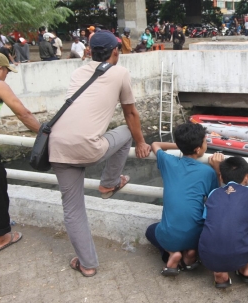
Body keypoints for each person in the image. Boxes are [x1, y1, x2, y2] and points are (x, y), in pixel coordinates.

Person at [48, 30, 151, 277]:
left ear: (91, 52)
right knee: (125, 131)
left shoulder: (78, 71)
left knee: (73, 210)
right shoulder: (120, 73)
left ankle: (88, 265)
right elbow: (131, 114)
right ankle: (108, 183)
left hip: (58, 146)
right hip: (89, 148)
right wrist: (142, 142)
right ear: (116, 51)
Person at [0, 52, 41, 254]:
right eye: (6, 72)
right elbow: (23, 113)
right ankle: (1, 237)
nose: (6, 76)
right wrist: (45, 133)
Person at [145, 123, 219, 276]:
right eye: (205, 141)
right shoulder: (207, 171)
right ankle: (190, 255)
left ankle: (172, 254)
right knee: (195, 227)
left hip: (170, 236)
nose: (206, 144)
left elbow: (155, 144)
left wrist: (181, 144)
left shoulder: (168, 161)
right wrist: (217, 171)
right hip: (195, 237)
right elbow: (215, 197)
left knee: (151, 230)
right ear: (198, 149)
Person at [198, 155, 248, 288]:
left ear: (221, 177)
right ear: (247, 177)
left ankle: (219, 273)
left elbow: (207, 220)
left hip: (207, 255)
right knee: (246, 229)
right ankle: (245, 270)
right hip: (241, 254)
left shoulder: (213, 193)